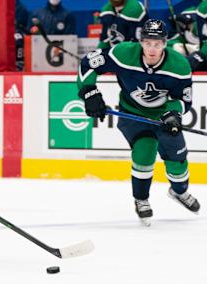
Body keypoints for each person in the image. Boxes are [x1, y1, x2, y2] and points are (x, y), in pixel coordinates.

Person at [76, 19, 200, 226]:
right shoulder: (123, 53)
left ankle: (179, 192)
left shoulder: (179, 65)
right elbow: (88, 64)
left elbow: (184, 100)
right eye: (148, 43)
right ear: (141, 41)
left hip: (163, 116)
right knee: (145, 149)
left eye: (158, 43)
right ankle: (141, 199)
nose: (152, 49)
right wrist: (89, 92)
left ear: (165, 42)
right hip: (133, 112)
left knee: (177, 159)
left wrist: (174, 114)